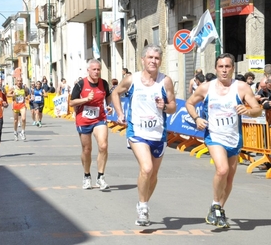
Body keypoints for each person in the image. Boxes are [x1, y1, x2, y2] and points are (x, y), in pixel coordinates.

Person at [185, 53, 262, 228]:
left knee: (229, 179)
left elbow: (257, 109)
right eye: (221, 67)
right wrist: (197, 118)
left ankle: (219, 210)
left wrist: (248, 110)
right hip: (214, 136)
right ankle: (215, 204)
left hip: (234, 137)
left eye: (228, 66)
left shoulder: (241, 87)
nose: (224, 70)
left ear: (233, 68)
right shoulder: (206, 88)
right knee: (222, 170)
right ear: (215, 68)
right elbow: (189, 103)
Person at [111, 44, 176, 226]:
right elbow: (115, 93)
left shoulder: (165, 81)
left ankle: (143, 202)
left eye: (157, 58)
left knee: (153, 175)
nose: (153, 61)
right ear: (143, 60)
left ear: (160, 61)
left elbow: (173, 107)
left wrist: (165, 106)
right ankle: (143, 207)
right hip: (137, 131)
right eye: (150, 57)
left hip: (158, 133)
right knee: (146, 168)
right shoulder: (132, 80)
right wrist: (120, 113)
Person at [70, 59, 112, 191]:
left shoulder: (104, 83)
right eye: (94, 69)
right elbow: (71, 103)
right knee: (87, 150)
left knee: (103, 145)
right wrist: (85, 99)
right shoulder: (80, 84)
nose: (96, 71)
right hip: (84, 120)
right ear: (88, 70)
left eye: (98, 69)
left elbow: (108, 98)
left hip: (99, 118)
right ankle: (87, 176)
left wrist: (109, 106)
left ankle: (100, 177)